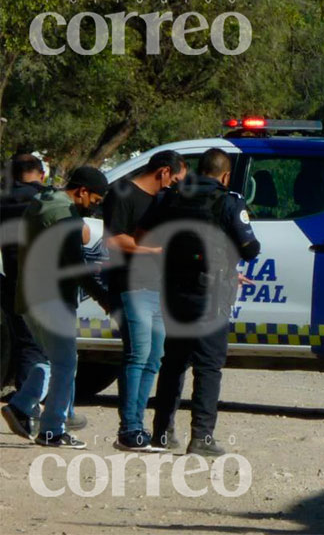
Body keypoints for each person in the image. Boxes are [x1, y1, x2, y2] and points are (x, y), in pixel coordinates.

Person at [148, 148, 260, 456]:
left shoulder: (171, 198)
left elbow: (150, 235)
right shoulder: (228, 202)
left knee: (173, 363)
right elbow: (250, 249)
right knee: (208, 366)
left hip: (173, 292)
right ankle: (201, 438)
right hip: (210, 295)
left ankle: (161, 433)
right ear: (225, 175)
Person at [1, 167, 109, 448]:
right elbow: (76, 267)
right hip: (53, 300)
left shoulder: (41, 202)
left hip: (27, 297)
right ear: (82, 191)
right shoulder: (65, 215)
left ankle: (21, 405)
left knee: (49, 358)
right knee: (66, 365)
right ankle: (52, 430)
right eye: (95, 199)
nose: (95, 206)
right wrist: (104, 298)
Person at [103, 150, 186, 451]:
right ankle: (129, 429)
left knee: (154, 358)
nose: (174, 186)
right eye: (175, 179)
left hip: (157, 288)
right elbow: (113, 239)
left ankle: (137, 425)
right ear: (164, 171)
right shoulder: (123, 193)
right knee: (137, 355)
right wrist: (152, 251)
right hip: (131, 286)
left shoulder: (162, 202)